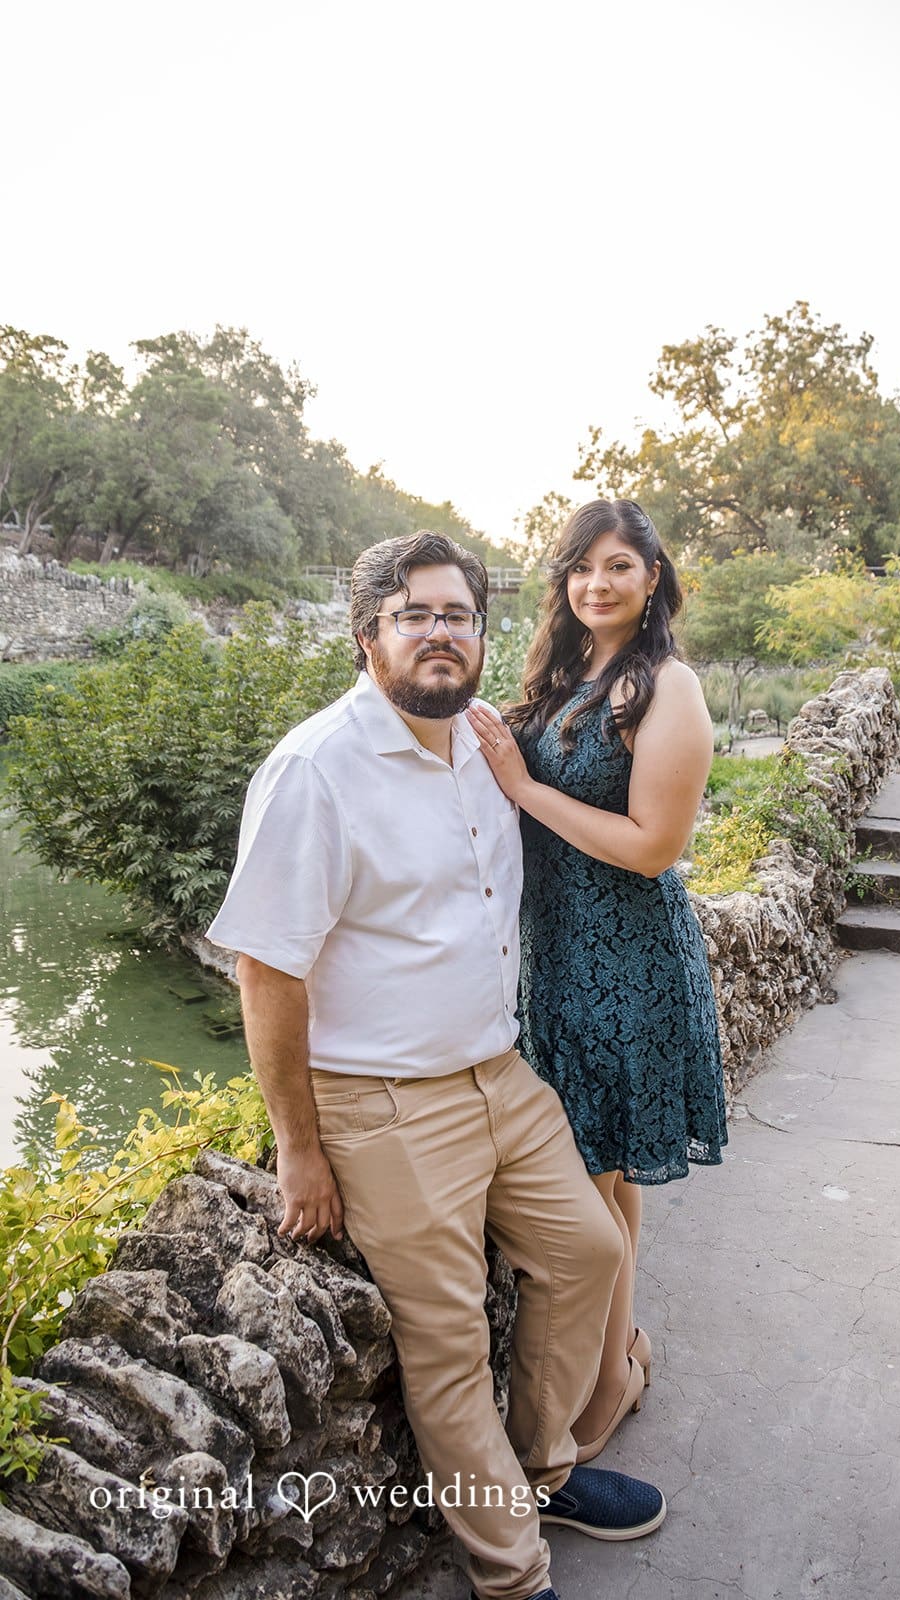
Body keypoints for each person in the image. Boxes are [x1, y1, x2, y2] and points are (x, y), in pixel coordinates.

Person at [206, 531, 666, 1600]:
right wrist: (298, 1147)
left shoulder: (483, 740)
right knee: (449, 1343)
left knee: (588, 1253)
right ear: (367, 635)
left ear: (481, 632)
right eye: (412, 615)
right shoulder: (315, 770)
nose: (438, 633)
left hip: (500, 1076)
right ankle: (512, 1573)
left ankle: (541, 1473)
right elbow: (265, 969)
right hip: (384, 1104)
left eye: (457, 614)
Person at [467, 499, 727, 1463]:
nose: (596, 584)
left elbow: (654, 846)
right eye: (580, 567)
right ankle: (621, 1351)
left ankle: (610, 1377)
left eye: (618, 565)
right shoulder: (563, 675)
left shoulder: (667, 688)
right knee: (604, 1172)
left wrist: (524, 789)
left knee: (593, 1173)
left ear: (652, 577)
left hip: (625, 964)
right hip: (557, 956)